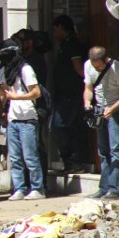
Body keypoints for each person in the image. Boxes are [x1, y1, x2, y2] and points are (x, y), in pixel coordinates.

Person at [0, 39, 45, 200]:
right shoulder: (8, 71)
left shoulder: (25, 69)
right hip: (13, 119)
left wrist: (17, 97)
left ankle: (38, 188)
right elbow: (5, 93)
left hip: (28, 119)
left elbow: (36, 92)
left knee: (30, 157)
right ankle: (19, 188)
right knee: (15, 158)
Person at [82, 46, 119, 199]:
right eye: (94, 66)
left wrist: (113, 109)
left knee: (115, 149)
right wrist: (87, 102)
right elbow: (88, 88)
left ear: (105, 59)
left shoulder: (116, 68)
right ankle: (103, 187)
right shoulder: (88, 65)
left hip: (114, 110)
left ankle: (114, 188)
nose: (97, 69)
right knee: (103, 151)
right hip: (99, 109)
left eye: (99, 67)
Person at [52, 15, 87, 173]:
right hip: (64, 94)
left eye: (55, 29)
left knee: (59, 126)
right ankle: (71, 162)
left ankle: (74, 160)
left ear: (61, 27)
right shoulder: (65, 44)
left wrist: (90, 82)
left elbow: (79, 69)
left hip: (71, 95)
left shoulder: (72, 43)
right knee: (70, 128)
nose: (54, 33)